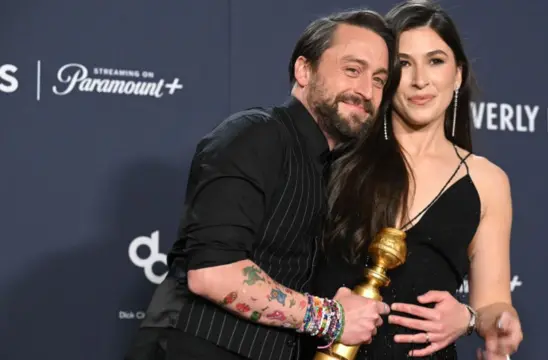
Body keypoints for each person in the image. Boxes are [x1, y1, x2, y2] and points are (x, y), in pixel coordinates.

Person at [123, 9, 401, 360]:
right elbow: (214, 273)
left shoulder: (329, 170)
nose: (365, 90)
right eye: (352, 70)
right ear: (304, 70)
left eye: (378, 80)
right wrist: (332, 318)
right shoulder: (255, 134)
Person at [306, 1, 523, 359]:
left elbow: (494, 304)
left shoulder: (486, 180)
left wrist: (476, 319)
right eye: (404, 64)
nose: (420, 80)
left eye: (435, 61)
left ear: (458, 75)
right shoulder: (340, 154)